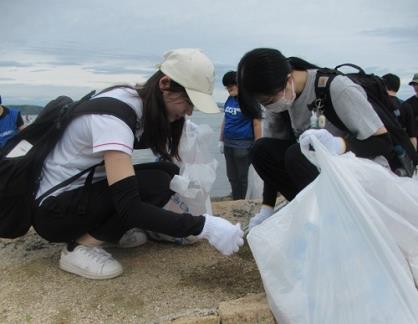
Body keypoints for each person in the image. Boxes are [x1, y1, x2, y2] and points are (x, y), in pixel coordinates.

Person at [32, 48, 244, 280]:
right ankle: (78, 248)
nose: (189, 111)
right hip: (55, 213)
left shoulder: (132, 99)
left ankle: (108, 233)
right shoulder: (113, 119)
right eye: (188, 102)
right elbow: (130, 206)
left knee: (167, 173)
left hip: (78, 196)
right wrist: (205, 226)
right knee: (154, 184)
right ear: (165, 84)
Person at [236, 48, 392, 231]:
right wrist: (267, 207)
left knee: (297, 153)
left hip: (361, 176)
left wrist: (338, 145)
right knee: (260, 149)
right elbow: (270, 159)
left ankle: (337, 220)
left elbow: (383, 142)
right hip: (323, 173)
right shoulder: (279, 102)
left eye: (269, 101)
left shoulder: (337, 88)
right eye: (263, 103)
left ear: (288, 80)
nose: (268, 107)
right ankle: (313, 212)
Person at [219, 71, 262, 200]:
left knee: (242, 176)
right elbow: (226, 119)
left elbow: (257, 124)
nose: (228, 90)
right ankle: (235, 198)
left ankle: (241, 200)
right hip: (228, 143)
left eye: (230, 87)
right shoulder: (230, 98)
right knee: (231, 175)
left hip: (243, 145)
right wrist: (221, 140)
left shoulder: (250, 100)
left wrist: (258, 145)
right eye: (226, 88)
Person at [381, 73, 417, 149]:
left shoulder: (377, 104)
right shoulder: (407, 104)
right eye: (414, 84)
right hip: (402, 147)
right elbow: (412, 135)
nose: (415, 86)